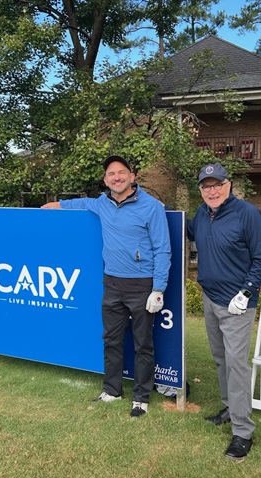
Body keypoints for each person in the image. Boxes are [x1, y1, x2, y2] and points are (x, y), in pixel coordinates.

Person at [42, 155, 171, 418]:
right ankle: (112, 390)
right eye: (111, 174)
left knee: (143, 344)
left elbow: (162, 249)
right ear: (105, 180)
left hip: (142, 285)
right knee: (111, 340)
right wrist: (56, 205)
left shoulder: (151, 206)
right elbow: (80, 203)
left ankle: (141, 397)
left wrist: (158, 289)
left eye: (122, 172)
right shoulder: (102, 202)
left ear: (132, 176)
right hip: (112, 282)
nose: (117, 177)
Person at [187, 163, 261, 462]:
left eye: (217, 185)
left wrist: (246, 292)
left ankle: (243, 432)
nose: (211, 191)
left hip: (237, 302)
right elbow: (184, 228)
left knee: (236, 365)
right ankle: (229, 407)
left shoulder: (248, 214)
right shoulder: (202, 214)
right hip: (210, 298)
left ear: (229, 185)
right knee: (221, 359)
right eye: (206, 186)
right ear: (200, 190)